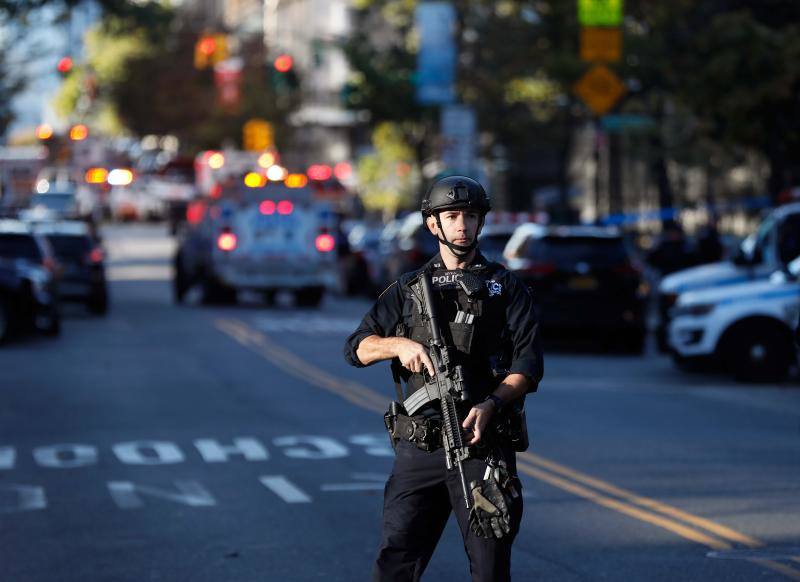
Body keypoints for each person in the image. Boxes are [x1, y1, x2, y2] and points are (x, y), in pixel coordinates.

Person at [343, 175, 543, 582]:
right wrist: (397, 345)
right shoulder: (410, 288)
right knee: (395, 564)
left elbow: (529, 365)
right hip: (422, 447)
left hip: (483, 444)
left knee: (490, 568)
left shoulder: (505, 288)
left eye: (470, 216)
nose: (462, 225)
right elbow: (357, 348)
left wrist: (492, 404)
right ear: (433, 224)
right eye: (451, 216)